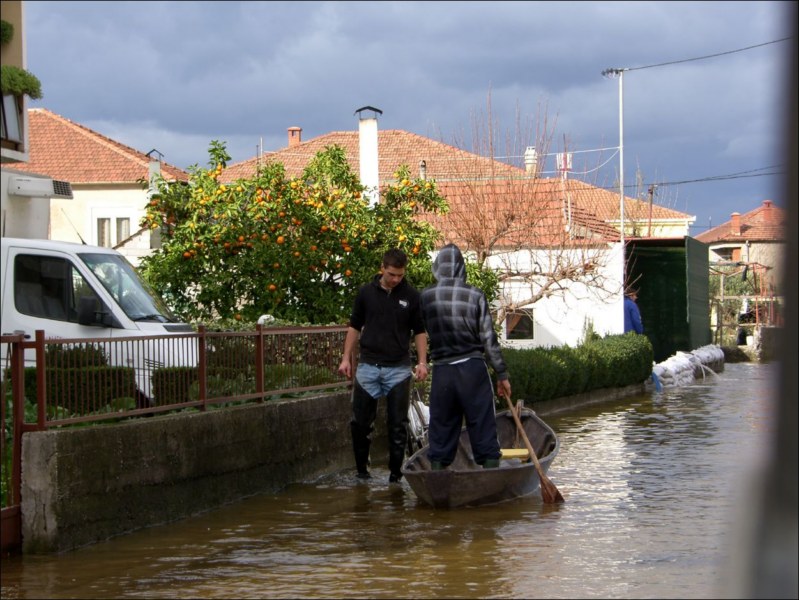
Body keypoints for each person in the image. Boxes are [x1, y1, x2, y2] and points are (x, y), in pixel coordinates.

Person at [338, 248, 428, 483]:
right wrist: (346, 358)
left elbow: (419, 331)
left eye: (400, 275)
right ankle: (362, 473)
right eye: (391, 274)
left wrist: (422, 362)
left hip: (398, 369)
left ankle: (395, 476)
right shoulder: (366, 293)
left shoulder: (411, 296)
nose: (396, 279)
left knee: (397, 425)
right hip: (368, 366)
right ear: (382, 268)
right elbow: (354, 326)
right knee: (360, 423)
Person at [419, 243, 511, 470]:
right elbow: (489, 340)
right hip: (473, 370)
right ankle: (490, 478)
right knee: (482, 424)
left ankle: (438, 479)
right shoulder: (475, 295)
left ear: (437, 267)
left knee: (441, 426)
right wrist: (502, 374)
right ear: (461, 268)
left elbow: (418, 333)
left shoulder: (426, 297)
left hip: (442, 372)